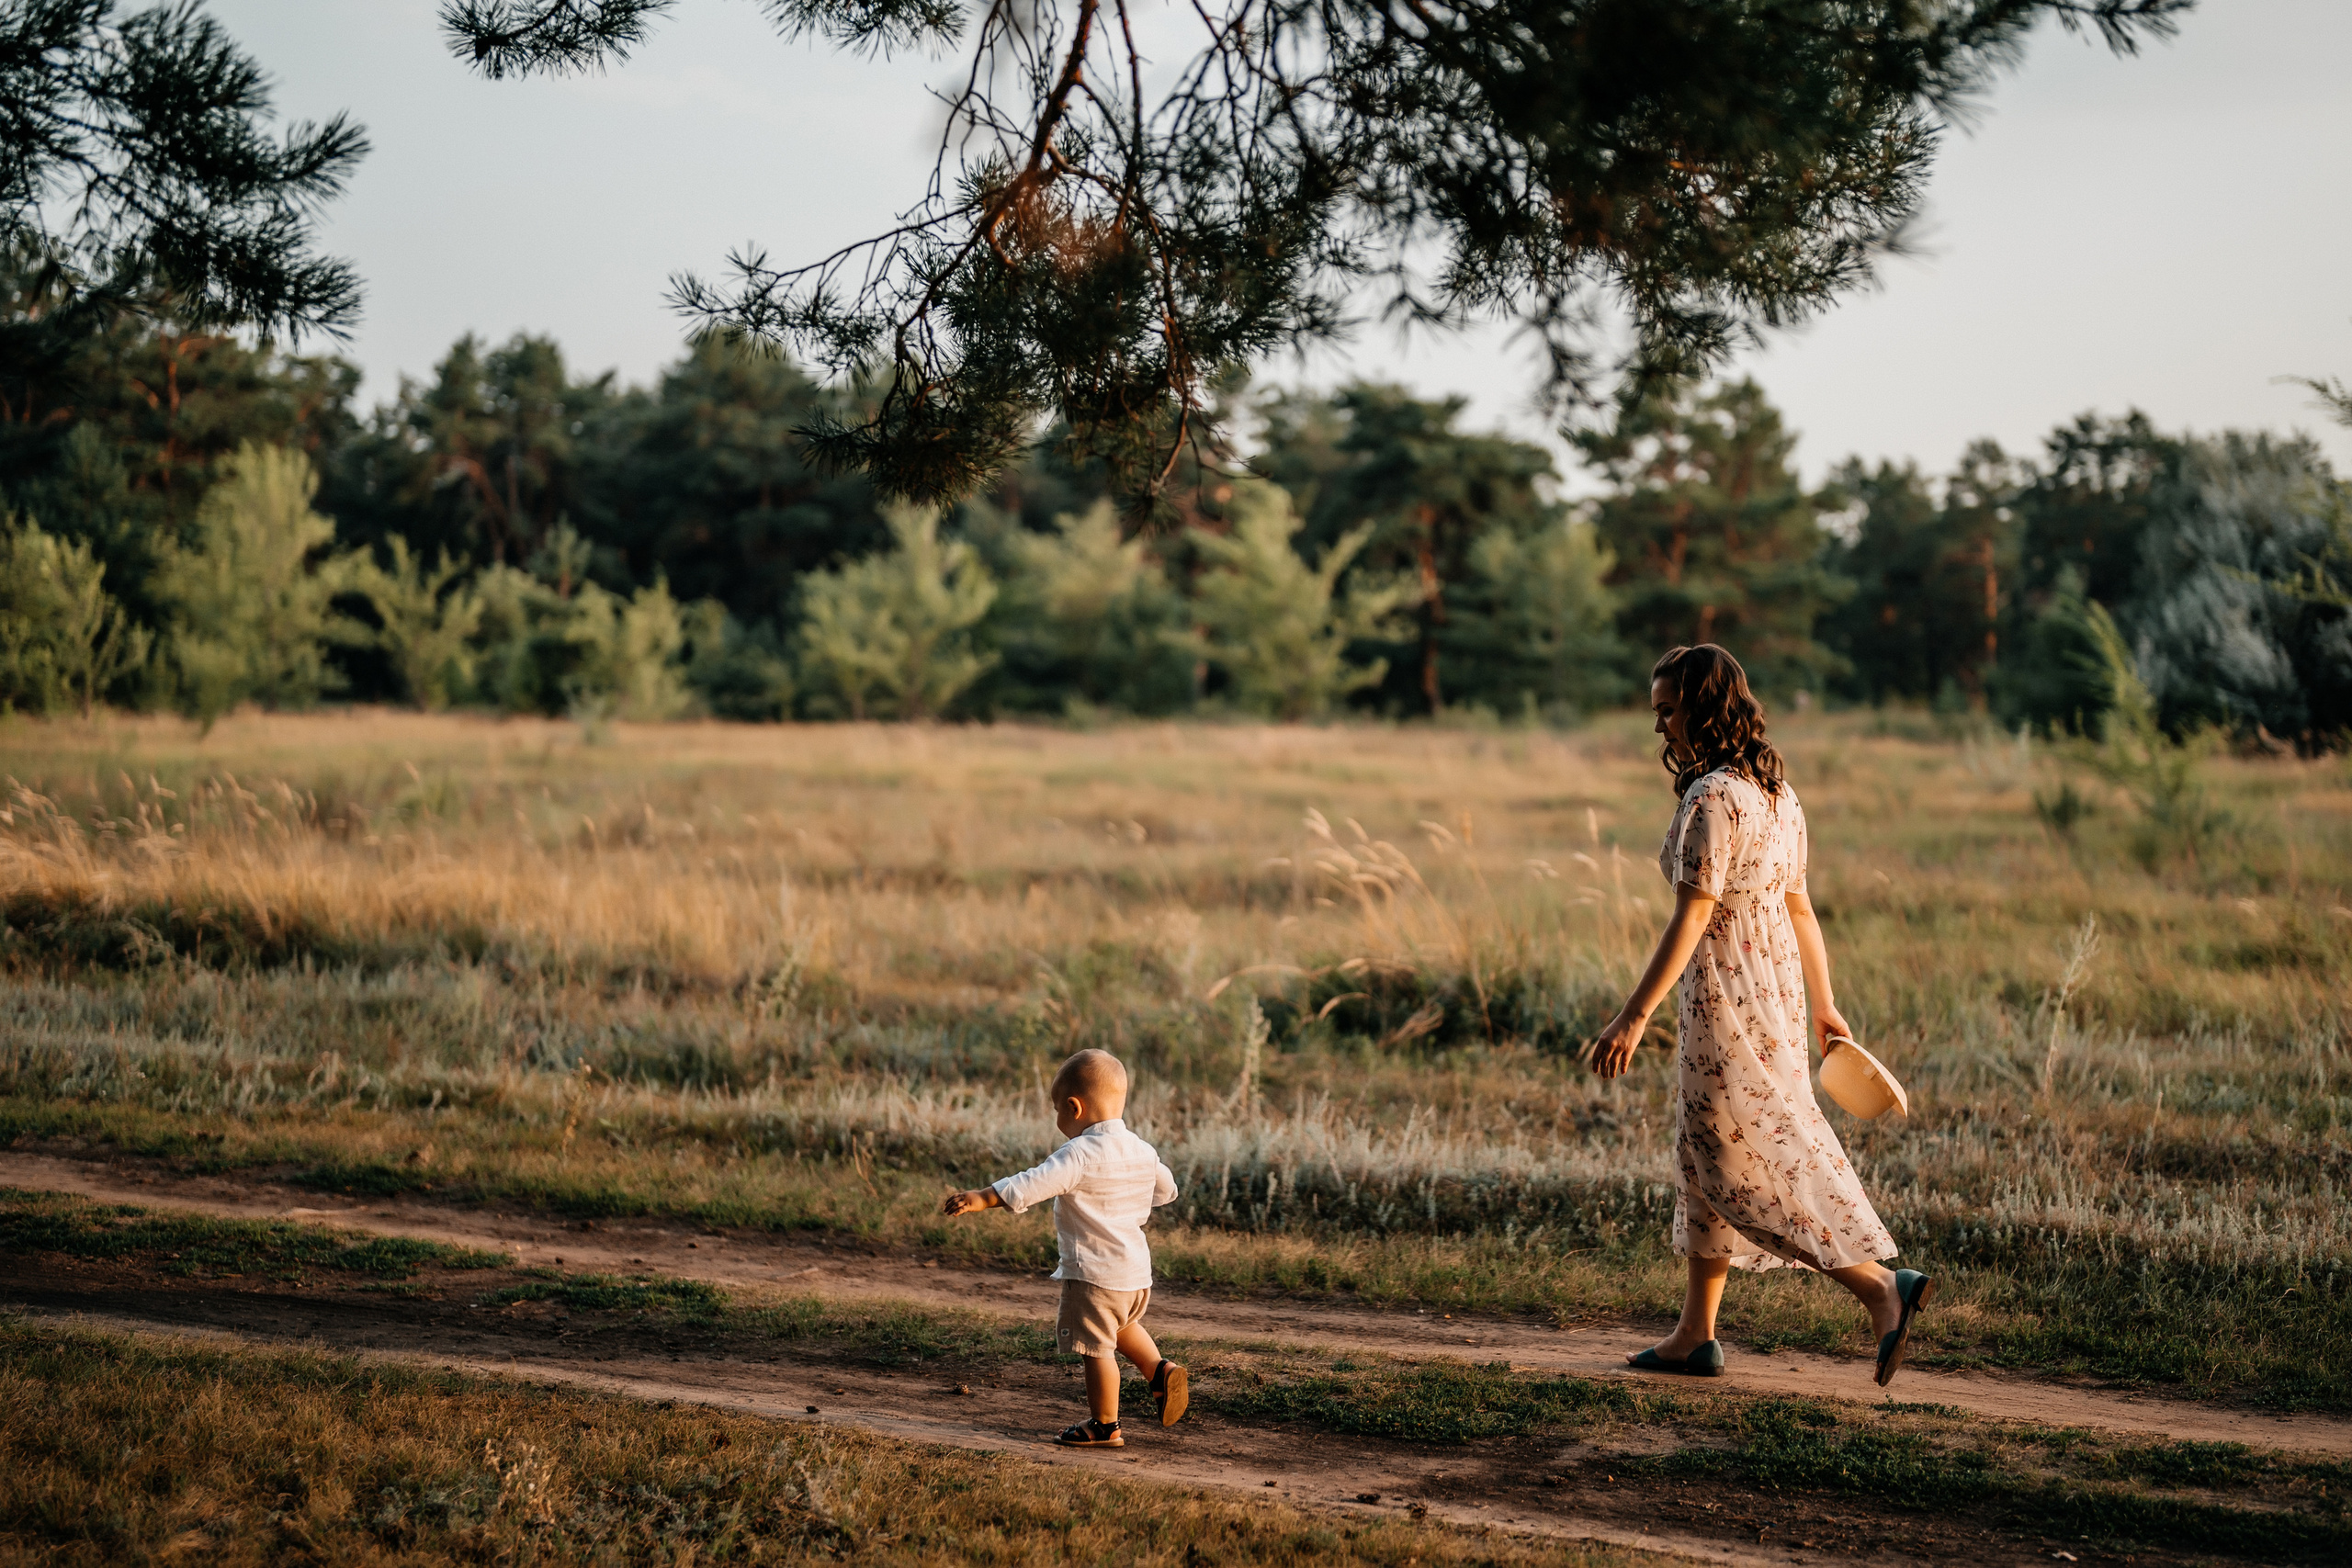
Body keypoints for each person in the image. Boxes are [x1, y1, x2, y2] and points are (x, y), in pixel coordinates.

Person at [1591, 644, 1933, 1386]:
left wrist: (1632, 1014)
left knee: (1731, 1162)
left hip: (1726, 1000)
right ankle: (1694, 1334)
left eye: (1669, 710)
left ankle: (1880, 1287)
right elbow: (1801, 909)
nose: (1663, 728)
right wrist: (1824, 1000)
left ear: (1703, 707)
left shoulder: (1713, 796)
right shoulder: (1779, 793)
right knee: (1713, 1153)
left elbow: (1692, 916)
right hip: (1771, 994)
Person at [942, 1047, 1190, 1445]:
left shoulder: (1079, 1154)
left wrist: (983, 1197)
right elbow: (1167, 1189)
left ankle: (1105, 1426)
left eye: (1057, 1109)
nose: (1057, 1117)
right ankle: (1160, 1371)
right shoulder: (1142, 1149)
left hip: (1095, 1275)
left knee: (1096, 1349)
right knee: (1120, 1326)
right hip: (1135, 1275)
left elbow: (1033, 1182)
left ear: (1074, 1108)